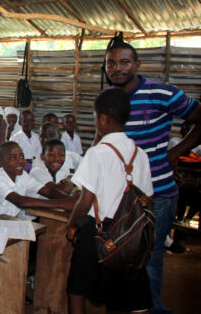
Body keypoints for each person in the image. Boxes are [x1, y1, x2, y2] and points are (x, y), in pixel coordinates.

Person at [103, 34, 201, 314]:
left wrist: (174, 154)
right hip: (119, 197)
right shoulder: (106, 97)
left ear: (137, 63)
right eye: (111, 63)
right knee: (122, 260)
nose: (117, 68)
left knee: (149, 262)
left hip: (156, 195)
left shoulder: (161, 93)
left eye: (124, 62)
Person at [66, 88, 153, 314]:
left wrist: (71, 224)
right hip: (132, 233)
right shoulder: (140, 154)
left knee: (77, 288)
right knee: (132, 295)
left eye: (95, 118)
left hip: (99, 233)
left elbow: (85, 201)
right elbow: (148, 198)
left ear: (103, 119)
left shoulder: (97, 153)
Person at [0, 141, 77, 221]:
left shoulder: (22, 175)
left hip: (5, 222)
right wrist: (62, 204)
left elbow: (47, 191)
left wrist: (71, 201)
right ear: (0, 162)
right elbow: (21, 201)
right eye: (13, 158)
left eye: (22, 156)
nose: (20, 161)